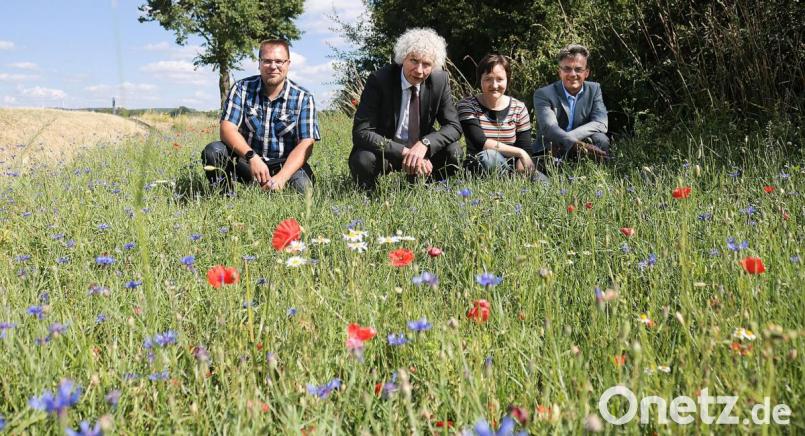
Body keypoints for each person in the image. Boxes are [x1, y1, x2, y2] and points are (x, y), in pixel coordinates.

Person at [349, 28, 463, 190]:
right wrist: (405, 152)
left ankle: (433, 187)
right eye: (414, 61)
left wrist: (425, 144)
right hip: (387, 151)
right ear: (403, 58)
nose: (419, 70)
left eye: (426, 64)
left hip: (422, 152)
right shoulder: (379, 80)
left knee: (454, 152)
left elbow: (453, 126)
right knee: (363, 159)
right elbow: (361, 132)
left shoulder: (440, 80)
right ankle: (371, 194)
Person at [202, 39, 320, 193]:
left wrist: (282, 177)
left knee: (304, 190)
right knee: (213, 151)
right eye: (267, 61)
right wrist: (252, 157)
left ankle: (279, 189)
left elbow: (306, 143)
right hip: (247, 162)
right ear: (259, 63)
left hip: (285, 165)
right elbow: (227, 129)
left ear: (288, 64)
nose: (273, 66)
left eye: (279, 61)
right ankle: (227, 198)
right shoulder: (241, 88)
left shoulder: (303, 98)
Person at [457, 53, 537, 176]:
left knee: (544, 183)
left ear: (507, 80)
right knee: (489, 157)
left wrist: (522, 173)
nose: (494, 85)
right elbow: (480, 142)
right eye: (488, 79)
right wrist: (520, 153)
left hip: (513, 171)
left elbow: (525, 147)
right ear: (480, 80)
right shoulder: (467, 106)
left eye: (500, 79)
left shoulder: (519, 107)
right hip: (481, 169)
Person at [532, 44, 609, 163]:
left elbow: (601, 123)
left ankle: (597, 171)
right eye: (567, 69)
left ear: (586, 72)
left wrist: (572, 140)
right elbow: (550, 128)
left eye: (578, 69)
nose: (573, 74)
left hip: (580, 141)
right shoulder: (543, 94)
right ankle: (552, 169)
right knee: (553, 141)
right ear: (560, 72)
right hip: (552, 147)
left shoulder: (594, 89)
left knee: (601, 139)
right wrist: (574, 143)